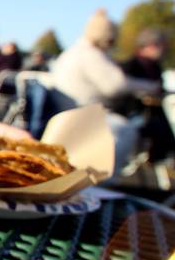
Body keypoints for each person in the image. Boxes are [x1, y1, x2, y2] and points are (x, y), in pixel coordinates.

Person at [51, 9, 159, 174]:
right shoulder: (90, 54)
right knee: (124, 129)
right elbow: (115, 85)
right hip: (81, 112)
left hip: (67, 111)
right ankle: (103, 180)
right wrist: (150, 87)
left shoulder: (75, 51)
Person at [120, 29, 173, 161]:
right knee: (161, 130)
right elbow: (125, 91)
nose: (162, 50)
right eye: (158, 45)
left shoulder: (155, 67)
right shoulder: (131, 65)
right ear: (148, 45)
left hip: (155, 114)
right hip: (135, 115)